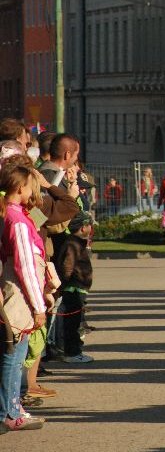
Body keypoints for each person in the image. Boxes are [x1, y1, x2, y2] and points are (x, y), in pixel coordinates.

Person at [1, 159, 48, 431]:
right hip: (19, 292)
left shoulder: (12, 212)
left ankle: (12, 406)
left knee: (14, 352)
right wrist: (39, 306)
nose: (32, 192)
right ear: (19, 187)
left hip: (17, 288)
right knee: (14, 353)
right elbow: (25, 266)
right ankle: (8, 410)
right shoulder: (16, 219)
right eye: (30, 188)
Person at [53, 211, 93, 364]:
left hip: (78, 287)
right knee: (72, 323)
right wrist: (66, 283)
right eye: (89, 225)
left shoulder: (76, 242)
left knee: (75, 322)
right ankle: (72, 352)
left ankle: (74, 350)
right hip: (74, 288)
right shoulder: (73, 244)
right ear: (83, 228)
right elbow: (67, 266)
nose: (91, 228)